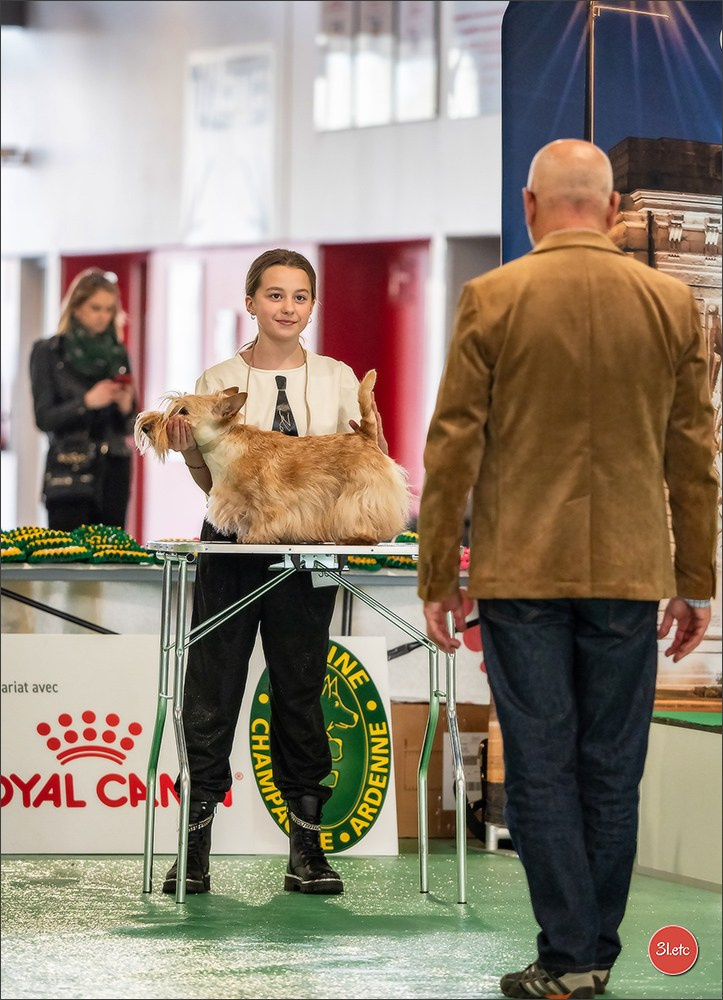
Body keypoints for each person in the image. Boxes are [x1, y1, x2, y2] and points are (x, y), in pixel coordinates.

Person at [416, 140, 717, 999]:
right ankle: (594, 952)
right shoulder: (668, 302)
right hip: (629, 574)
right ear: (615, 204)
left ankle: (566, 956)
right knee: (610, 768)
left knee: (542, 766)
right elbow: (692, 456)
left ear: (529, 204)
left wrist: (439, 572)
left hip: (521, 576)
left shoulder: (492, 296)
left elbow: (451, 453)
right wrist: (695, 578)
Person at [162, 247, 388, 897]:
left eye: (299, 297)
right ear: (251, 303)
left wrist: (371, 450)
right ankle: (194, 848)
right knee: (210, 690)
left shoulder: (339, 378)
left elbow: (355, 462)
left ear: (310, 307)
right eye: (275, 295)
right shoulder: (216, 378)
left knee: (300, 691)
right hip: (231, 546)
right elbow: (210, 481)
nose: (287, 307)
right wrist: (186, 456)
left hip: (307, 554)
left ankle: (307, 853)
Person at [29, 268, 138, 531]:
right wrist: (87, 402)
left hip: (114, 467)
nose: (103, 316)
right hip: (70, 468)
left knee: (112, 556)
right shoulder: (49, 352)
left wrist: (126, 408)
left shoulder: (117, 353)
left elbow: (131, 425)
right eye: (95, 308)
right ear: (76, 308)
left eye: (109, 309)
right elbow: (44, 418)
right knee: (68, 556)